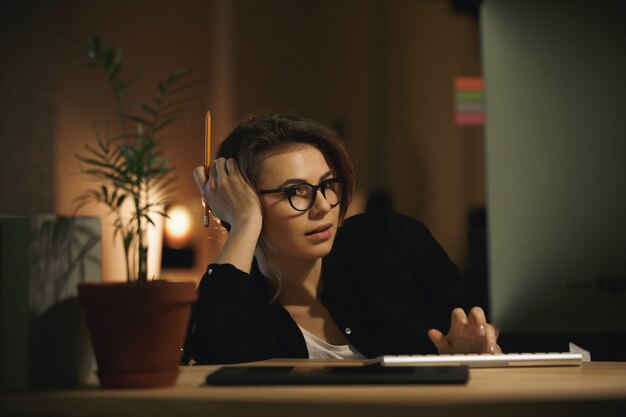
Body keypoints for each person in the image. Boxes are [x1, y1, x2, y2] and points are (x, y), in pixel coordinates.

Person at [184, 113, 501, 364]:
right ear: (245, 203)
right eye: (295, 192)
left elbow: (486, 335)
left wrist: (482, 354)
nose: (323, 206)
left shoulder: (392, 242)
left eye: (327, 184)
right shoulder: (238, 301)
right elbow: (212, 354)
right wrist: (244, 223)